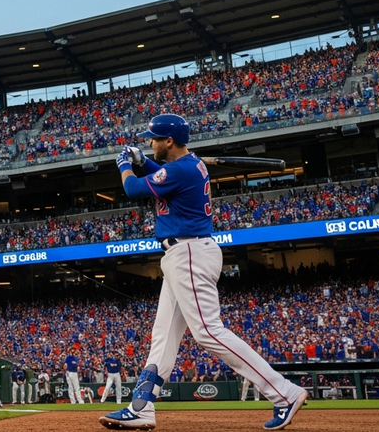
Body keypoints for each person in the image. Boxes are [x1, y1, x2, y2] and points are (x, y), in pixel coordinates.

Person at [101, 114, 309, 431]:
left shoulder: (181, 168)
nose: (151, 143)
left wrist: (125, 164)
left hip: (189, 253)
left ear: (169, 141)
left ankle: (284, 392)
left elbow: (132, 189)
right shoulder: (187, 166)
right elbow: (163, 175)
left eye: (154, 139)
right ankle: (142, 407)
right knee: (163, 338)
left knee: (209, 332)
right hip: (183, 253)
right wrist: (144, 162)